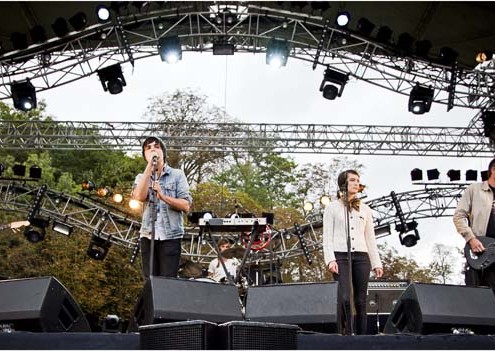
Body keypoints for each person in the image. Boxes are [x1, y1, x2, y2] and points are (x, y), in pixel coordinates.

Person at [322, 169, 383, 335]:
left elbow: (370, 238)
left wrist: (376, 262)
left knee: (361, 300)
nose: (357, 183)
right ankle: (347, 333)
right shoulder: (332, 208)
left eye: (358, 180)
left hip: (362, 256)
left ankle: (362, 337)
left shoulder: (365, 209)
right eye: (353, 180)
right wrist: (330, 259)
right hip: (340, 255)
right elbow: (327, 237)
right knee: (345, 298)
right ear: (344, 184)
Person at [132, 136, 192, 279]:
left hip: (170, 237)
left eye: (156, 147)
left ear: (163, 153)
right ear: (145, 155)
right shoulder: (141, 177)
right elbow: (139, 197)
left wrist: (163, 196)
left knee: (167, 282)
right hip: (148, 235)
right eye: (148, 148)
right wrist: (149, 168)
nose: (153, 149)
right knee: (150, 282)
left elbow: (186, 205)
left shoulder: (177, 175)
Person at [453, 158, 495, 293]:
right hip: (480, 251)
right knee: (477, 296)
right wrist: (471, 239)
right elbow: (458, 216)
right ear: (493, 170)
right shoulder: (474, 190)